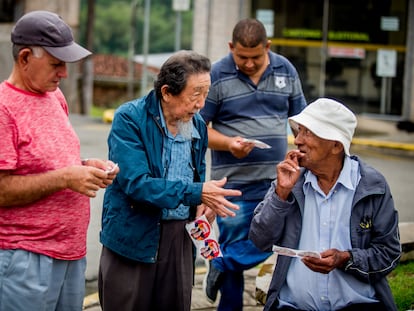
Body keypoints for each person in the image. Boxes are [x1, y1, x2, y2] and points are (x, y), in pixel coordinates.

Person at [98, 50, 242, 311]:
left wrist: (203, 204)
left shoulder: (197, 124)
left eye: (205, 94)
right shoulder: (130, 118)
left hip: (180, 237)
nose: (201, 104)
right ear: (166, 92)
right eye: (195, 95)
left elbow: (197, 172)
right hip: (134, 237)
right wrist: (196, 192)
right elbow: (137, 183)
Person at [0, 10, 119, 311]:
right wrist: (66, 177)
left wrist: (83, 167)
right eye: (56, 64)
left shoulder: (55, 97)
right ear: (25, 57)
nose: (64, 73)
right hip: (25, 258)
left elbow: (45, 162)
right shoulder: (4, 109)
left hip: (71, 254)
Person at [249, 98, 401, 311]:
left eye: (308, 133)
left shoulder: (372, 186)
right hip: (293, 306)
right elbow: (260, 240)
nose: (298, 140)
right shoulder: (289, 183)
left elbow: (389, 254)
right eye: (298, 131)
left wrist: (346, 259)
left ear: (336, 145)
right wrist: (280, 194)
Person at [200, 18, 307, 309]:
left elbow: (301, 123)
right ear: (231, 47)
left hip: (278, 182)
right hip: (232, 183)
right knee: (236, 243)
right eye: (242, 57)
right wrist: (229, 144)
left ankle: (221, 261)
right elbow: (199, 130)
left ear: (268, 47)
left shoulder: (286, 69)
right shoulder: (217, 74)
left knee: (283, 239)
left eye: (256, 57)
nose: (248, 64)